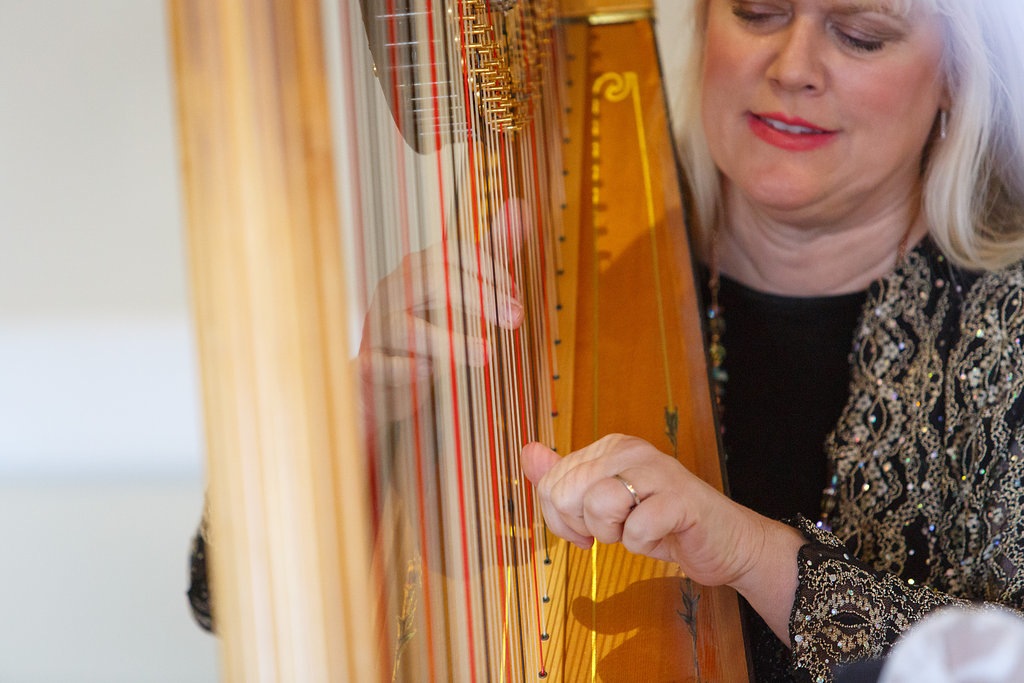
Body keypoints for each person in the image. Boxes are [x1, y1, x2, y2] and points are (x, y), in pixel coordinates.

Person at [522, 0, 1024, 681]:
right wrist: (375, 415)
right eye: (758, 13)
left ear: (954, 78)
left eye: (859, 35)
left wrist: (752, 554)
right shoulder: (562, 273)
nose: (792, 69)